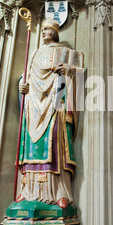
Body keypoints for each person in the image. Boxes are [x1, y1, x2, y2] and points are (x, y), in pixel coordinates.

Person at [16, 18, 82, 209]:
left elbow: (79, 73)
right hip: (34, 105)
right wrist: (22, 84)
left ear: (55, 32)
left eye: (47, 29)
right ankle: (28, 190)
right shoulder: (35, 53)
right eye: (42, 29)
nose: (44, 32)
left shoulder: (65, 51)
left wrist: (68, 70)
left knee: (56, 142)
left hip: (56, 102)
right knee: (31, 144)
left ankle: (60, 191)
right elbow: (27, 75)